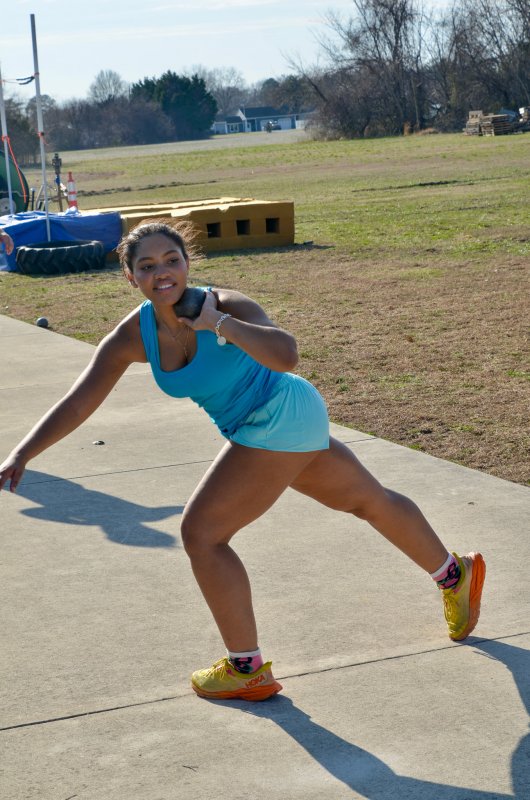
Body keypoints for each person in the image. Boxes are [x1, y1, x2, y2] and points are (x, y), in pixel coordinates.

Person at [0, 220, 486, 702]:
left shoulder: (227, 304)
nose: (162, 273)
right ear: (131, 277)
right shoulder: (133, 336)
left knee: (202, 534)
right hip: (276, 426)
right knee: (368, 501)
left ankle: (245, 668)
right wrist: (24, 452)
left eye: (172, 260)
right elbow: (79, 401)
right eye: (147, 266)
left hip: (277, 415)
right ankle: (454, 574)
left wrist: (218, 323)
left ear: (188, 263)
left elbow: (287, 354)